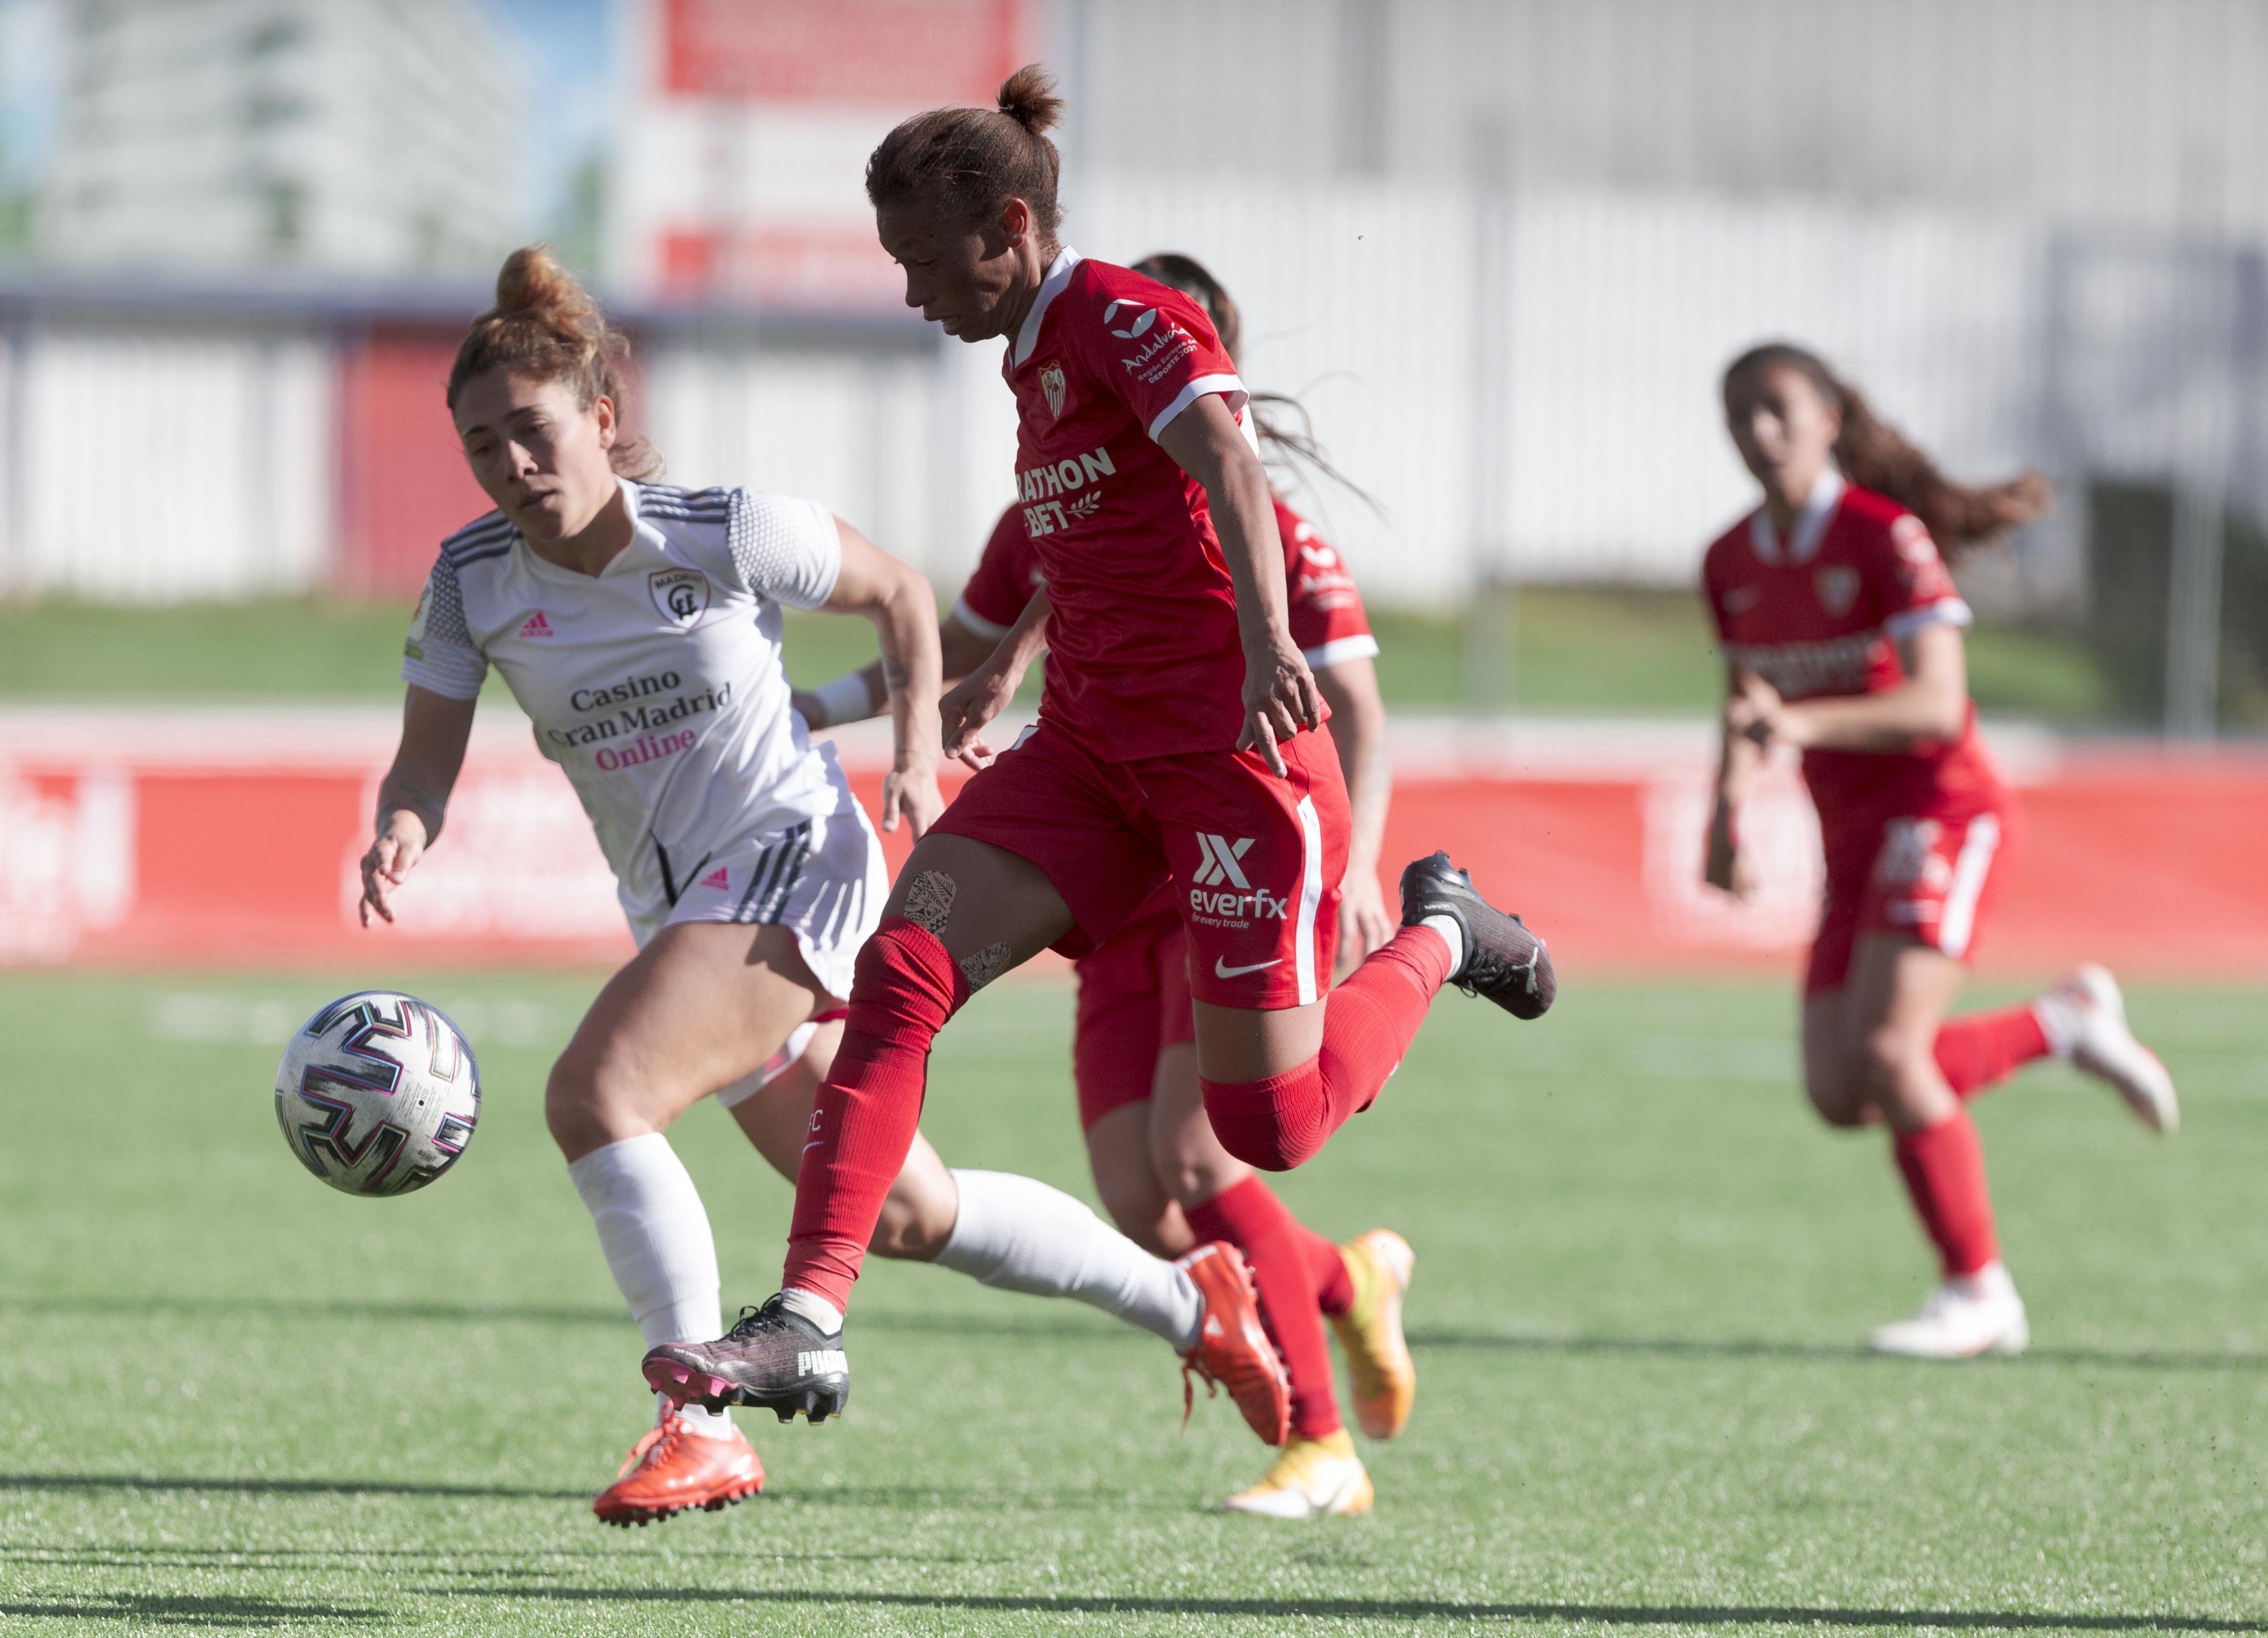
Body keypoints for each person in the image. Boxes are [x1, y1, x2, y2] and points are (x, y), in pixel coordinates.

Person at [644, 69, 1553, 1435]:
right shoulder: (1026, 367)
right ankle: (807, 1320)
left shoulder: (1126, 315)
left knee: (1267, 1132)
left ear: (1009, 229)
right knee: (903, 966)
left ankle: (1439, 932)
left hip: (1230, 769)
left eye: (923, 264)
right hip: (1088, 767)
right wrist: (977, 669)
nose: (909, 297)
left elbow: (1230, 470)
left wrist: (1262, 646)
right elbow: (1051, 571)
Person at [362, 246, 1291, 1528]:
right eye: (481, 448)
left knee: (598, 1091)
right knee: (911, 1210)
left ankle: (693, 1428)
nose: (510, 467)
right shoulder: (472, 584)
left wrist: (914, 752)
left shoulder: (723, 527)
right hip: (686, 909)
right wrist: (403, 827)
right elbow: (426, 754)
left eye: (531, 432)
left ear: (603, 419)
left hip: (798, 858)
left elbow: (902, 593)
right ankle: (1197, 1303)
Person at [794, 249, 1414, 1519]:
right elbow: (969, 644)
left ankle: (1321, 1442)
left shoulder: (1271, 530)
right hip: (1108, 860)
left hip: (1217, 863)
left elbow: (1350, 702)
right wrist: (823, 706)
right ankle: (1348, 1283)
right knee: (1143, 1204)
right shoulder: (1046, 505)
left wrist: (1352, 866)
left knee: (1205, 1157)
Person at [1702, 341, 2178, 1359]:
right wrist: (1725, 813)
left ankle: (1979, 1291)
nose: (1758, 431)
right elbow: (1745, 706)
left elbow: (1935, 703)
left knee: (1887, 1054)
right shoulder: (1729, 560)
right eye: (1738, 414)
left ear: (1830, 417)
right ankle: (2060, 1023)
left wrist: (1803, 726)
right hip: (1852, 835)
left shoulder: (1884, 536)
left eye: (1778, 408)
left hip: (1943, 809)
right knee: (1840, 1091)